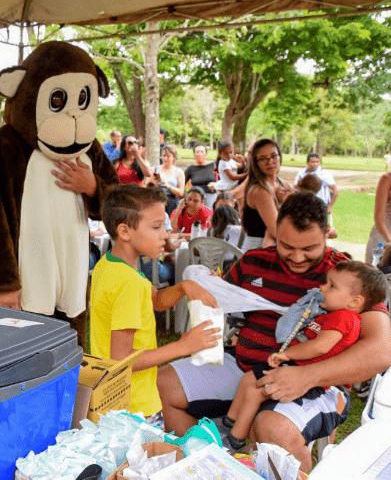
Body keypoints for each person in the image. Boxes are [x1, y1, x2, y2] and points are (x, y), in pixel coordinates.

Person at [157, 192, 391, 472]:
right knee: (162, 384)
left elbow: (381, 351)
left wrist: (306, 376)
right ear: (275, 232)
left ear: (327, 233)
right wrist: (206, 286)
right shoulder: (253, 262)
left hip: (317, 382)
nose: (297, 257)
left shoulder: (348, 278)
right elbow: (222, 299)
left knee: (272, 429)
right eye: (287, 245)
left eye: (310, 248)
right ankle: (217, 467)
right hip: (246, 367)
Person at [90, 184, 221, 423]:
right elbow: (121, 360)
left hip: (117, 402)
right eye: (156, 227)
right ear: (125, 231)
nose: (165, 235)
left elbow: (157, 301)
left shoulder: (109, 265)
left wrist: (183, 287)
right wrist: (182, 347)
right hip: (134, 409)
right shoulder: (127, 283)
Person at [224, 260, 386, 450]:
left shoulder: (345, 318)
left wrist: (286, 355)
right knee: (248, 379)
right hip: (297, 366)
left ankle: (235, 439)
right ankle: (229, 422)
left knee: (255, 392)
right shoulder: (330, 314)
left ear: (355, 301)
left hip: (311, 378)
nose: (322, 287)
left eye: (331, 286)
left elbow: (319, 347)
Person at [241, 139, 293, 249]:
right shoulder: (260, 190)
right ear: (256, 163)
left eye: (274, 156)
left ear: (280, 157)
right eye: (262, 159)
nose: (269, 162)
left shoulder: (283, 184)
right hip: (258, 251)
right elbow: (276, 232)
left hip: (282, 248)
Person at [151, 144, 184, 215]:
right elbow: (147, 186)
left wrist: (168, 186)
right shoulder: (155, 169)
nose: (165, 158)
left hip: (172, 202)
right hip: (157, 200)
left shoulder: (179, 171)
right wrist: (154, 182)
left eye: (168, 156)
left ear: (174, 157)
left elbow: (181, 193)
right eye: (163, 156)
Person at [184, 143, 218, 209]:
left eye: (202, 152)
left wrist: (216, 184)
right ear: (194, 155)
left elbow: (222, 180)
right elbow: (182, 184)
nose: (200, 154)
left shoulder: (213, 166)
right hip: (196, 199)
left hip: (211, 197)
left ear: (206, 154)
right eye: (197, 152)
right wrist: (186, 197)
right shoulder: (191, 169)